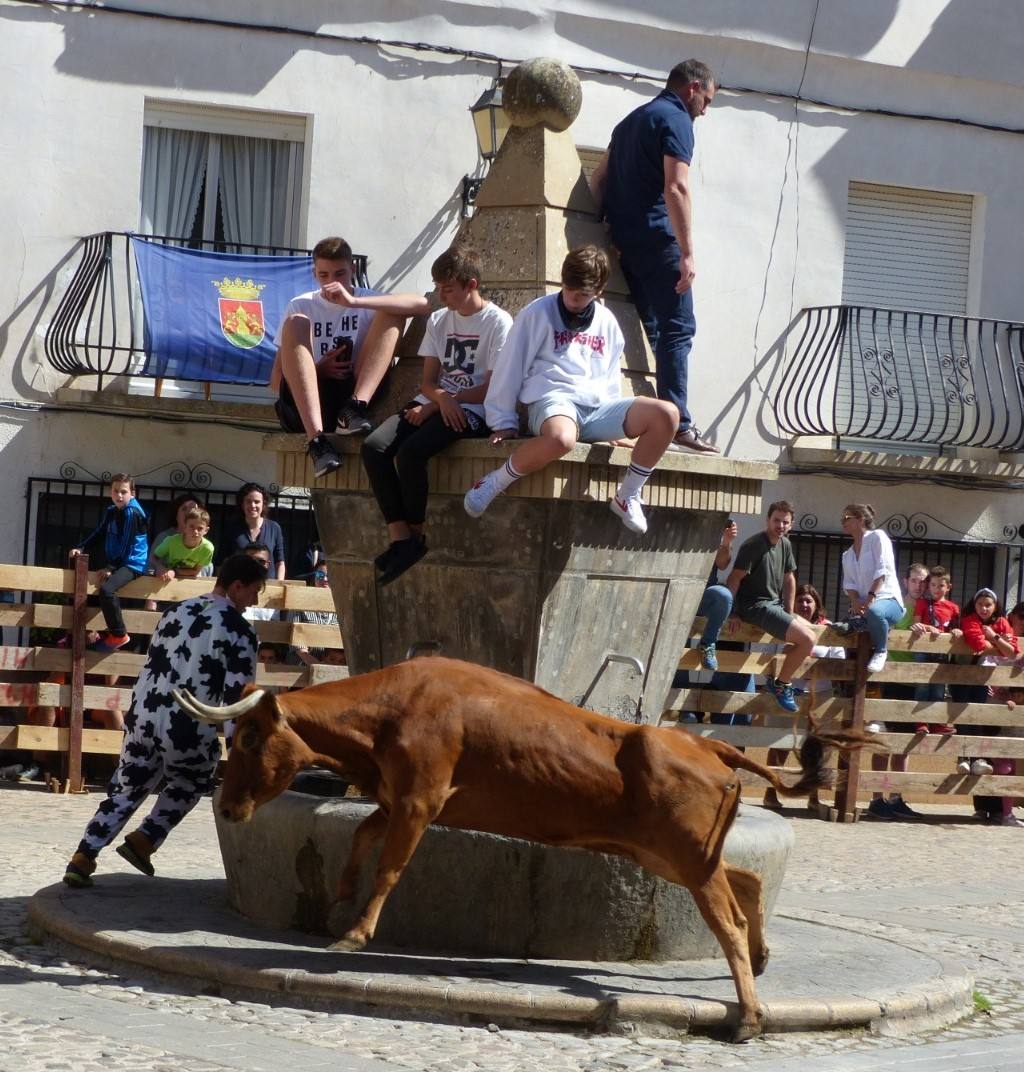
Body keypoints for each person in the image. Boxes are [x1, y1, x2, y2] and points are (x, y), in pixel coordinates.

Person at [61, 554, 264, 888]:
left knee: (125, 788)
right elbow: (235, 699)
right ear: (237, 586)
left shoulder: (176, 610)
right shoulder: (240, 631)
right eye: (254, 591)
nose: (255, 601)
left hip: (143, 712)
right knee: (192, 781)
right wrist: (237, 748)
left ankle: (82, 857)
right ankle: (145, 840)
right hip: (187, 723)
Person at [463, 246, 678, 535]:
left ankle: (628, 495)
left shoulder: (608, 322)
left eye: (583, 295)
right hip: (553, 400)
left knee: (667, 414)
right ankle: (495, 481)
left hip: (596, 407)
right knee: (563, 439)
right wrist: (503, 420)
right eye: (569, 291)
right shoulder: (537, 313)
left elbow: (610, 374)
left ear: (598, 291)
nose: (574, 300)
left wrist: (615, 430)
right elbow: (509, 366)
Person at [589, 59, 719, 455]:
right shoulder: (677, 120)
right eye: (707, 100)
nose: (705, 111)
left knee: (655, 331)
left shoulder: (629, 121)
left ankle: (651, 414)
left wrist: (602, 230)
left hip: (626, 243)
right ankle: (678, 421)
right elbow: (676, 187)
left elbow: (599, 179)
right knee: (678, 328)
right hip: (659, 240)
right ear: (692, 87)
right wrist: (687, 252)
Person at [362, 244, 512, 585]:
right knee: (374, 447)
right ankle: (401, 537)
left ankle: (415, 534)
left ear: (470, 285)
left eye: (447, 288)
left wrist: (440, 404)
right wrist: (437, 400)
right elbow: (428, 381)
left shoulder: (498, 322)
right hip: (436, 402)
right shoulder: (440, 319)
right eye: (437, 286)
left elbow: (494, 386)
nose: (440, 295)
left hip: (474, 411)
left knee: (411, 455)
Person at [271, 236, 431, 478]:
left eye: (339, 274)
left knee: (391, 313)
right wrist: (318, 369)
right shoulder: (300, 305)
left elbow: (422, 304)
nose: (332, 283)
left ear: (352, 270)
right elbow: (275, 382)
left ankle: (353, 408)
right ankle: (317, 443)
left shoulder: (366, 298)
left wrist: (355, 302)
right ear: (314, 274)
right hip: (310, 401)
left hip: (354, 393)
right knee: (295, 323)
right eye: (324, 275)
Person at [725, 501, 815, 713]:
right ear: (767, 520)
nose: (780, 525)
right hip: (755, 606)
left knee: (814, 633)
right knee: (807, 639)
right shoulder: (753, 545)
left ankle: (779, 678)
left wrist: (790, 610)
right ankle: (781, 684)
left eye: (785, 522)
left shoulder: (785, 544)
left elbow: (789, 578)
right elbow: (734, 578)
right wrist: (733, 611)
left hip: (774, 605)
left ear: (791, 525)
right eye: (776, 520)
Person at [763, 583, 845, 810]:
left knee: (817, 747)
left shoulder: (828, 630)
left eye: (809, 600)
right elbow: (769, 657)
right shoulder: (781, 627)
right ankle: (771, 792)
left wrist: (816, 668)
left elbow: (839, 660)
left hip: (819, 694)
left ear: (817, 604)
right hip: (787, 692)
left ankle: (813, 797)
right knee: (778, 744)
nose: (804, 604)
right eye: (800, 600)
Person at [865, 561, 929, 822]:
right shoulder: (896, 606)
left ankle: (896, 797)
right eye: (915, 580)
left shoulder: (928, 609)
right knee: (883, 741)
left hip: (914, 681)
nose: (919, 585)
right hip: (889, 677)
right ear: (906, 581)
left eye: (923, 581)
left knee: (903, 743)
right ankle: (876, 798)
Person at [954, 589, 1019, 816]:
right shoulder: (971, 621)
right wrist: (997, 643)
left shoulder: (1000, 625)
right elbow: (977, 645)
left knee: (993, 751)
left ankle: (996, 809)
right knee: (970, 725)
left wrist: (994, 637)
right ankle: (982, 805)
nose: (984, 608)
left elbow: (1011, 652)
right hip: (979, 687)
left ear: (995, 606)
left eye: (988, 604)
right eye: (980, 604)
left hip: (1001, 700)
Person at [69, 473, 149, 652]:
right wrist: (81, 547)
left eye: (124, 492)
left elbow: (127, 543)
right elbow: (99, 533)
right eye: (116, 491)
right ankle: (100, 634)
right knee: (99, 589)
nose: (119, 495)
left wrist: (111, 568)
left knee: (107, 590)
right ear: (110, 492)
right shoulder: (112, 511)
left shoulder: (131, 513)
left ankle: (119, 634)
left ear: (132, 494)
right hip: (119, 561)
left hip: (133, 563)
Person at [833, 504, 904, 674]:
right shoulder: (847, 554)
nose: (842, 521)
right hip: (865, 606)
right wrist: (856, 602)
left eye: (847, 518)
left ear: (860, 519)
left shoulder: (877, 537)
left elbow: (883, 570)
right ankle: (859, 622)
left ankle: (881, 650)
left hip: (889, 601)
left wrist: (871, 598)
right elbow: (849, 584)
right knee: (847, 624)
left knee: (875, 612)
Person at [909, 565, 959, 735]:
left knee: (939, 688)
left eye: (941, 585)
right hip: (922, 649)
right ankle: (921, 722)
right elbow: (915, 623)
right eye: (933, 585)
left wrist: (957, 631)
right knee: (923, 685)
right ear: (929, 585)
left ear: (949, 587)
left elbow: (956, 628)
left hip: (942, 652)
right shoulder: (922, 603)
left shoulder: (953, 607)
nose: (936, 589)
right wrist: (928, 627)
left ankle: (937, 722)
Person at [224, 483, 286, 580]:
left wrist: (279, 584)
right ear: (242, 504)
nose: (252, 505)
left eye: (257, 502)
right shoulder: (232, 528)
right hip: (238, 587)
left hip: (268, 586)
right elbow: (223, 562)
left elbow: (280, 562)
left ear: (263, 504)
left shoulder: (274, 528)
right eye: (248, 501)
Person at [147, 492, 213, 579]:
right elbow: (151, 565)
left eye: (193, 509)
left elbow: (202, 572)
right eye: (184, 509)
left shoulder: (205, 546)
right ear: (176, 516)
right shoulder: (165, 538)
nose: (189, 512)